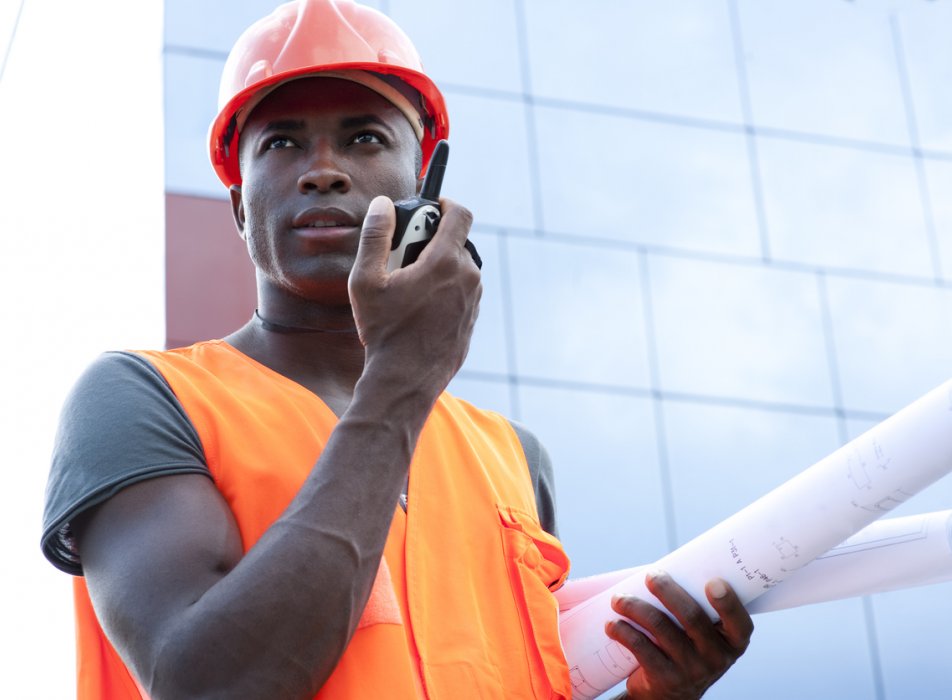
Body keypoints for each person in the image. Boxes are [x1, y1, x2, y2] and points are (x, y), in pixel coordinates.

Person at [41, 1, 754, 697]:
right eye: (281, 143)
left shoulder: (514, 457)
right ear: (238, 206)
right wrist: (401, 381)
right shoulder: (140, 399)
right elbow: (210, 684)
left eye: (365, 138)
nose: (323, 169)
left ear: (423, 187)